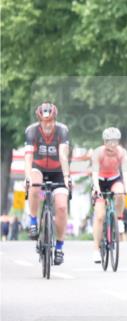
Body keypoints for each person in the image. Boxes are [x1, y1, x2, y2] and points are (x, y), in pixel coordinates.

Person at [24, 103, 72, 265]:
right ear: (39, 120)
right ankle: (32, 221)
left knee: (61, 207)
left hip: (58, 171)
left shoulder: (62, 131)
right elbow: (28, 158)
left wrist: (66, 176)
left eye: (51, 120)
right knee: (34, 182)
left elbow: (63, 156)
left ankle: (59, 247)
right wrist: (27, 177)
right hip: (38, 168)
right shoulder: (31, 131)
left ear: (55, 119)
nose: (48, 124)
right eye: (45, 121)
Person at [91, 127, 127, 263]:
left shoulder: (122, 153)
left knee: (120, 193)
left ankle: (118, 218)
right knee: (100, 216)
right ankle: (96, 249)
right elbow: (94, 174)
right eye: (109, 141)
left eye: (115, 142)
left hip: (114, 179)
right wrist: (96, 189)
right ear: (104, 141)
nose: (112, 145)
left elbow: (125, 173)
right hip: (100, 181)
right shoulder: (98, 153)